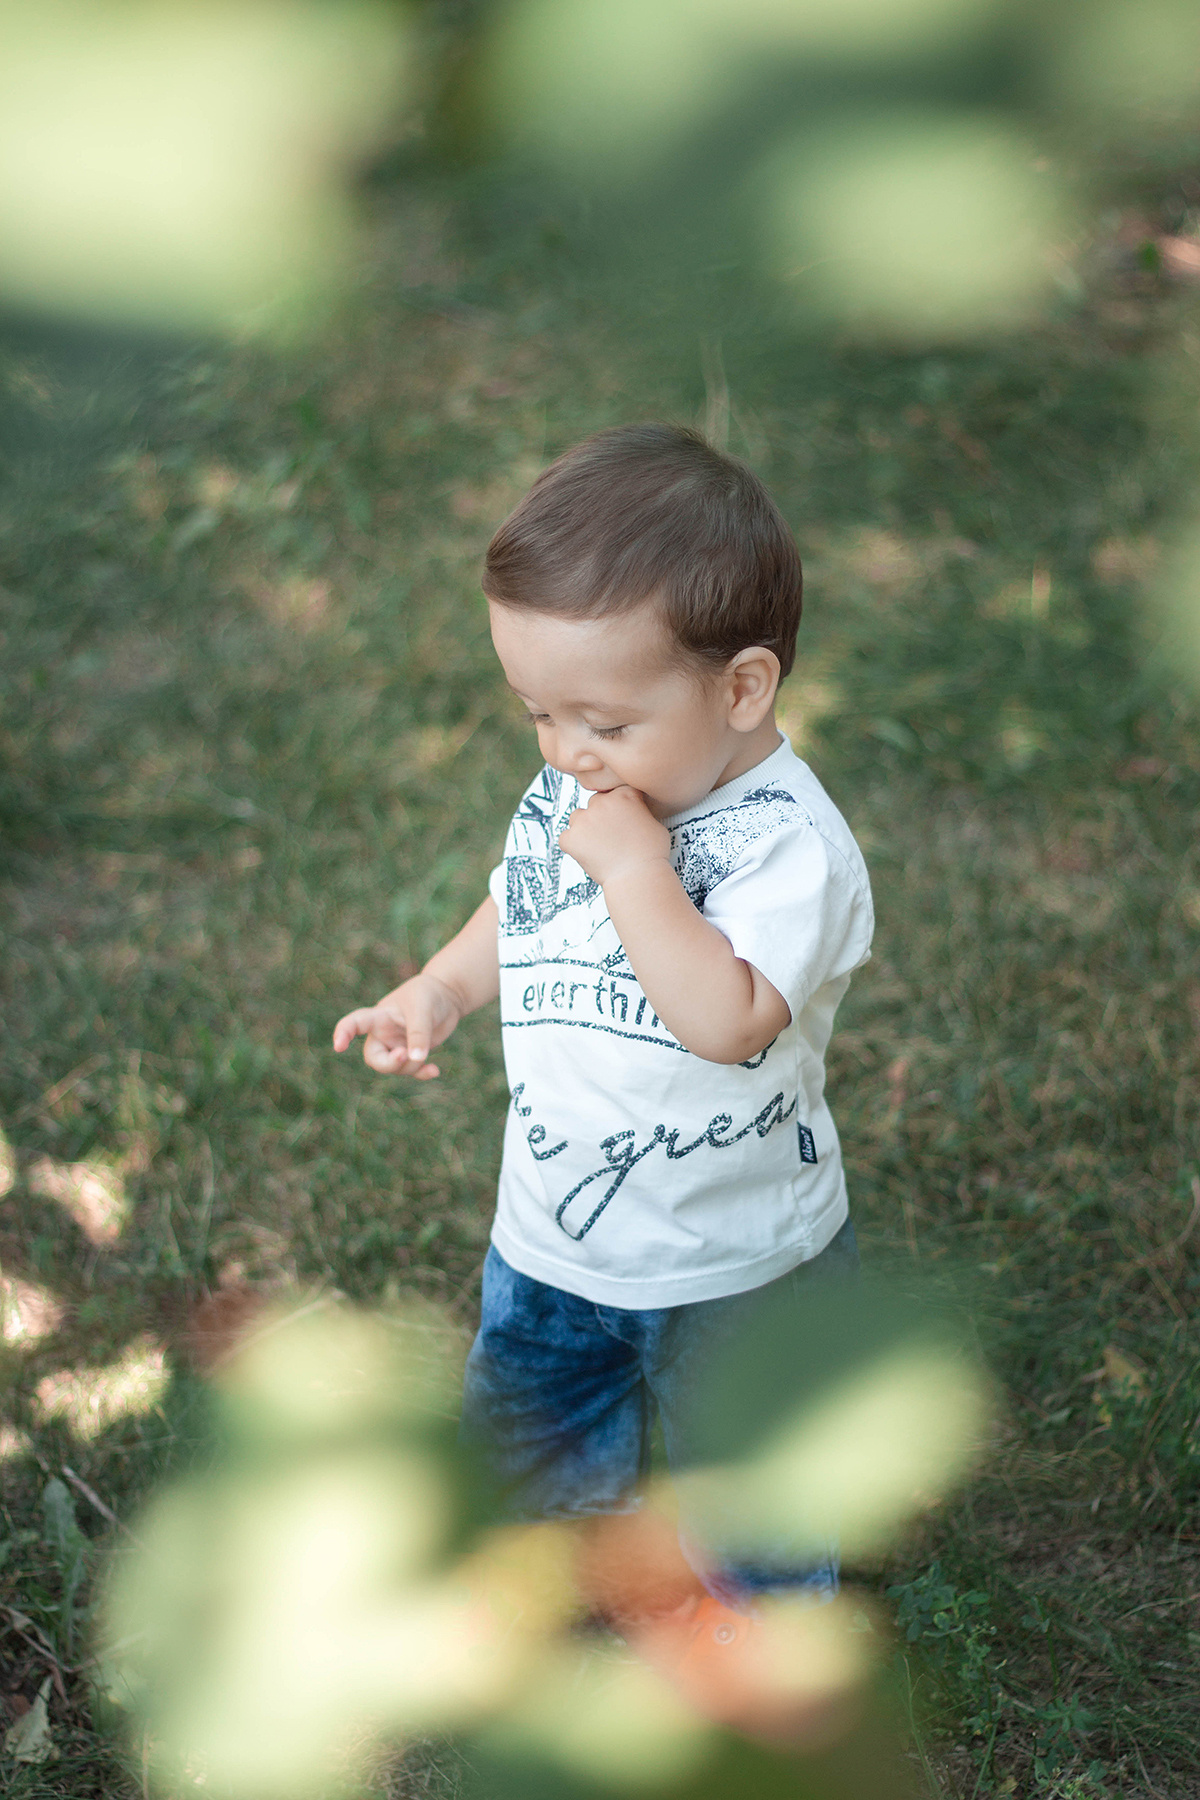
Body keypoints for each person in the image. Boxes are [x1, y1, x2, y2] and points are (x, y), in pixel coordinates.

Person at [333, 423, 873, 1642]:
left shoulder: (791, 850)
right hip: (556, 1232)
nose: (569, 754)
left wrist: (640, 874)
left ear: (742, 687)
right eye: (539, 715)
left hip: (741, 1265)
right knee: (528, 1450)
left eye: (604, 723)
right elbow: (526, 895)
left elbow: (728, 1021)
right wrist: (441, 987)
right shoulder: (595, 788)